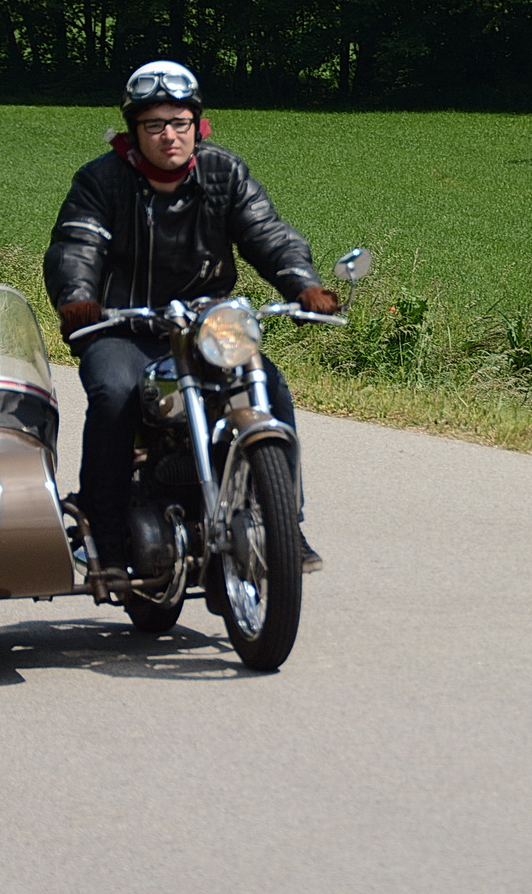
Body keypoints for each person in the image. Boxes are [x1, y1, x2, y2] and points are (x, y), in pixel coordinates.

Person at [43, 60, 338, 575]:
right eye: (154, 124)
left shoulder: (224, 172)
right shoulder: (101, 180)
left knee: (269, 386)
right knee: (114, 394)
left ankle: (285, 526)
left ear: (197, 125)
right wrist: (77, 298)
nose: (169, 135)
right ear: (134, 130)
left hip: (207, 328)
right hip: (124, 328)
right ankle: (104, 536)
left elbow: (267, 233)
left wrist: (303, 285)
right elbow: (77, 244)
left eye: (179, 123)